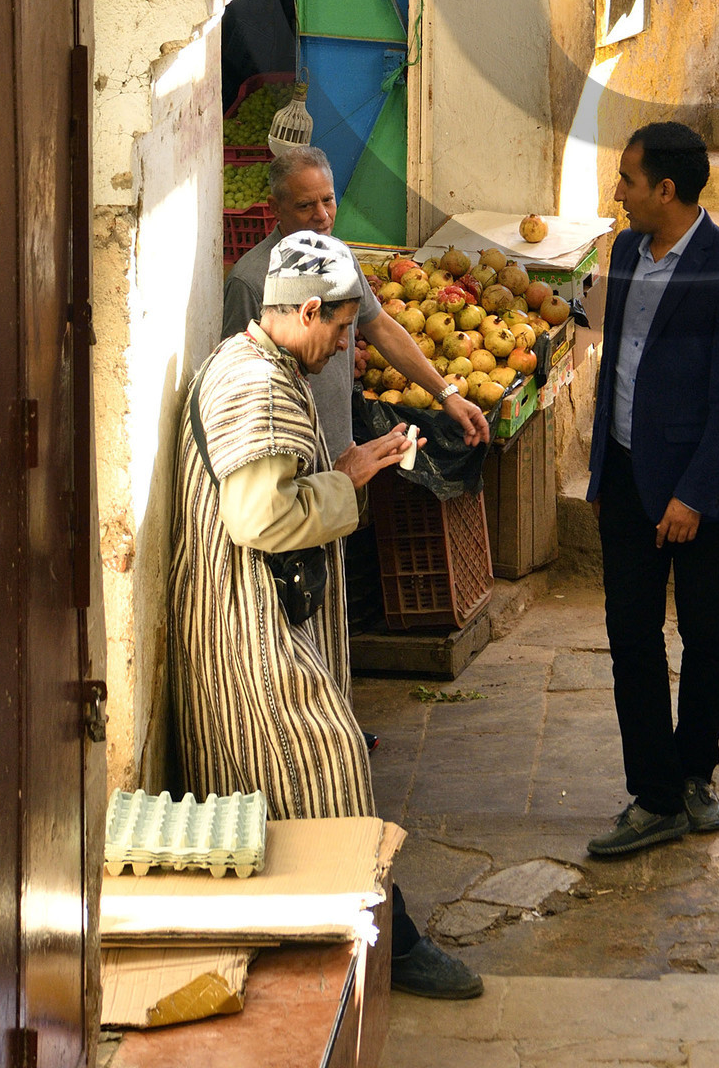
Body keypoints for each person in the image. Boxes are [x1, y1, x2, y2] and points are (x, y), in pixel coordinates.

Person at [171, 229, 482, 1001]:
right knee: (331, 763)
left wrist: (350, 470)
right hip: (247, 630)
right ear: (307, 311)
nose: (347, 345)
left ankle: (329, 945)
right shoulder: (256, 385)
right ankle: (386, 944)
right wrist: (344, 480)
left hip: (255, 618)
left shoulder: (251, 363)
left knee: (281, 791)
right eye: (341, 329)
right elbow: (259, 518)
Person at [584, 123, 719, 859]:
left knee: (706, 636)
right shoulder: (626, 251)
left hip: (703, 490)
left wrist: (692, 496)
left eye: (628, 180)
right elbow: (615, 358)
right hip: (628, 477)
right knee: (630, 638)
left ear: (666, 189)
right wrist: (604, 471)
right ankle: (655, 796)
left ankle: (695, 772)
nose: (619, 193)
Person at [223, 146, 488, 462]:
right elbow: (240, 389)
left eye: (328, 200)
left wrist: (446, 395)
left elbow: (381, 328)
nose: (322, 216)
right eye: (305, 205)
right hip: (289, 468)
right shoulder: (249, 281)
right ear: (275, 208)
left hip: (341, 452)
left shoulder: (339, 258)